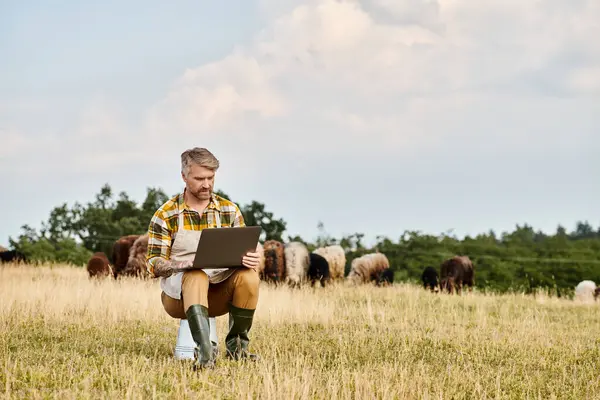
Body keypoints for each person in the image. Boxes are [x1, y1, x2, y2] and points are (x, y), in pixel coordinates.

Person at [145, 147, 261, 370]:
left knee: (249, 277)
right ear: (184, 177)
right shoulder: (166, 214)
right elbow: (153, 262)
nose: (206, 184)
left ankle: (238, 349)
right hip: (178, 298)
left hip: (218, 292)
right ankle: (205, 355)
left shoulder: (229, 210)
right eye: (199, 178)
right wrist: (182, 265)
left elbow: (246, 251)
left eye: (211, 178)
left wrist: (250, 259)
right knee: (196, 274)